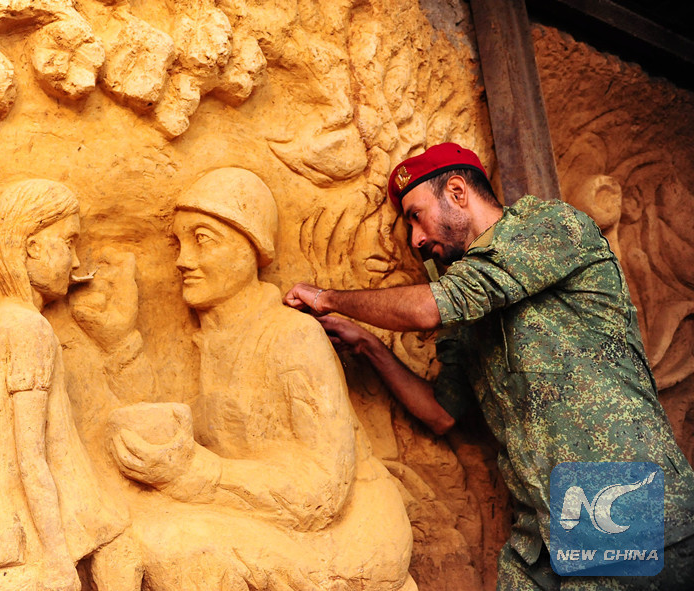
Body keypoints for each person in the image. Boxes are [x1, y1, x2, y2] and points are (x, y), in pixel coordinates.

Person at [283, 143, 694, 590]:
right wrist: (368, 346)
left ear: (457, 191)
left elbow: (430, 308)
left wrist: (327, 298)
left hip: (618, 495)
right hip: (541, 530)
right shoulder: (465, 306)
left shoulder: (549, 227)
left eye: (416, 216)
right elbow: (442, 412)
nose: (416, 240)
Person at [103, 167, 415, 591]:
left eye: (202, 240)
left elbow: (323, 490)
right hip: (267, 516)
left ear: (250, 247)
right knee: (120, 533)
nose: (183, 260)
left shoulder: (293, 337)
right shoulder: (213, 341)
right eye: (179, 243)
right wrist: (119, 343)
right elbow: (179, 424)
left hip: (347, 535)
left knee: (175, 548)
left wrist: (200, 474)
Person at [0, 179, 141, 591]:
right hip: (15, 528)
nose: (76, 261)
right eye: (68, 243)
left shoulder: (7, 320)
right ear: (31, 247)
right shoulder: (28, 329)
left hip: (9, 519)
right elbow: (31, 456)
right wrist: (58, 558)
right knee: (123, 552)